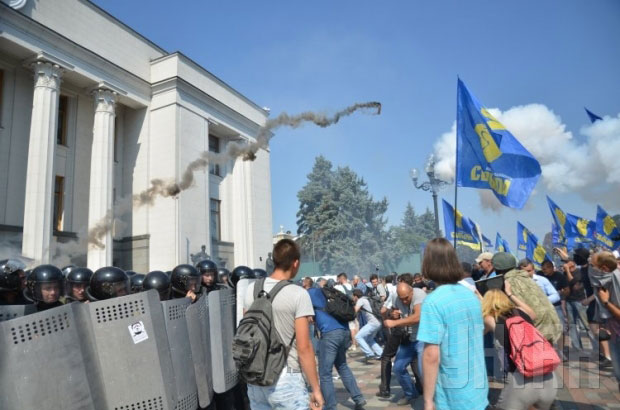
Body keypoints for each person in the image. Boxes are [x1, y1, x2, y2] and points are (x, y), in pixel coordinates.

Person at [243, 239, 324, 409]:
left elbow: (247, 331)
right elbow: (304, 348)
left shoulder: (251, 289)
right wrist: (315, 389)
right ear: (295, 263)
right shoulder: (298, 294)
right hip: (286, 377)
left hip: (256, 377)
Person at [417, 238, 488, 410]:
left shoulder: (433, 302)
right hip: (478, 388)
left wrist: (427, 400)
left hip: (454, 394)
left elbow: (431, 356)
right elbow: (482, 329)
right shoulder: (470, 295)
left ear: (428, 264)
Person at [482, 285, 557, 409]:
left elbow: (476, 334)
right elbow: (533, 314)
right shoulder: (521, 311)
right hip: (548, 377)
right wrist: (510, 294)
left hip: (521, 380)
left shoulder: (490, 319)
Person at [308, 285, 366, 409]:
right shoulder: (331, 293)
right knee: (342, 366)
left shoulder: (311, 293)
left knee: (325, 373)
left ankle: (330, 406)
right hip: (344, 332)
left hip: (330, 334)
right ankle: (359, 398)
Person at [499, 252, 562, 344]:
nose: (528, 273)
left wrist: (541, 303)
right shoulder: (526, 280)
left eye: (530, 270)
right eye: (525, 270)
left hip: (539, 325)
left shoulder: (512, 281)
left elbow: (555, 295)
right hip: (543, 324)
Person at [383, 282, 426, 406]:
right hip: (408, 337)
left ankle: (432, 400)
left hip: (422, 337)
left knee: (424, 371)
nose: (404, 301)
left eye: (406, 298)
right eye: (401, 299)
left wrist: (394, 323)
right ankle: (410, 393)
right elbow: (396, 314)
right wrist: (394, 315)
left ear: (411, 291)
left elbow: (418, 317)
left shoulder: (419, 294)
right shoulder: (397, 298)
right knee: (398, 367)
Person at [595, 255, 620, 392]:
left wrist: (606, 302)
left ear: (603, 268)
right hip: (615, 335)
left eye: (593, 268)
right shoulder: (609, 283)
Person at [540, 259, 570, 355]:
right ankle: (549, 350)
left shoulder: (559, 276)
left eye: (546, 269)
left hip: (556, 306)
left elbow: (567, 290)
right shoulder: (539, 275)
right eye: (543, 269)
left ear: (552, 268)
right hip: (543, 307)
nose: (544, 271)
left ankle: (561, 351)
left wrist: (560, 294)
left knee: (560, 328)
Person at [353, 288, 383, 362]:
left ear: (356, 296)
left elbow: (355, 311)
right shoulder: (367, 298)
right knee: (369, 339)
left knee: (358, 337)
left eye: (353, 296)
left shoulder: (360, 300)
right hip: (378, 322)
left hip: (373, 323)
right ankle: (381, 353)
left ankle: (369, 353)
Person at [335, 272, 357, 351]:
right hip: (353, 308)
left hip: (346, 309)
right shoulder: (351, 285)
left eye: (339, 279)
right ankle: (354, 343)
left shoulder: (340, 287)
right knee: (354, 327)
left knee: (350, 328)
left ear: (341, 278)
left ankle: (353, 344)